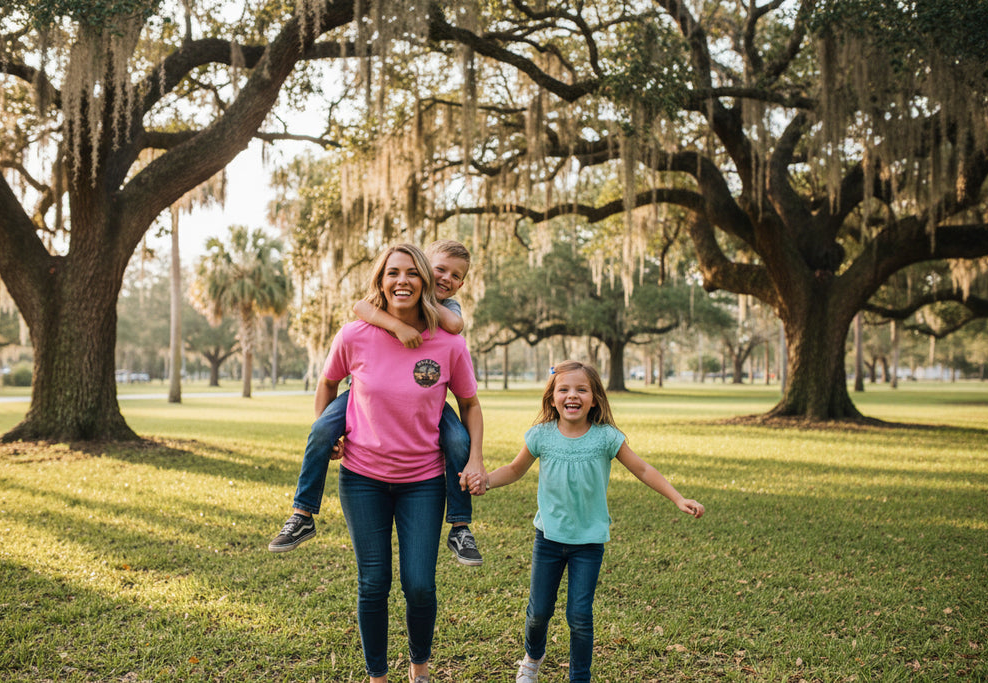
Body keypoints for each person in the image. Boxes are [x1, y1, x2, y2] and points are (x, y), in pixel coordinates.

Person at [310, 243, 484, 683]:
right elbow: (328, 383)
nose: (402, 281)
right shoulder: (354, 333)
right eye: (392, 273)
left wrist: (476, 456)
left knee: (420, 585)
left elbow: (470, 403)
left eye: (412, 273)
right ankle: (377, 677)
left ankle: (419, 671)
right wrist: (327, 434)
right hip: (362, 479)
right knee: (373, 584)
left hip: (423, 482)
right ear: (381, 281)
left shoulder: (449, 341)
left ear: (426, 281)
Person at [471, 360, 704, 682]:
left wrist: (678, 498)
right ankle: (532, 660)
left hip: (589, 543)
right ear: (552, 397)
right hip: (549, 539)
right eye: (564, 389)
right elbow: (513, 470)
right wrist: (484, 481)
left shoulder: (607, 438)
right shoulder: (541, 436)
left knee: (579, 615)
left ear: (595, 399)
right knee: (539, 613)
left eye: (582, 389)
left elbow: (643, 469)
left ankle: (579, 677)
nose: (572, 395)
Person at [269, 239, 485, 566]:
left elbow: (454, 327)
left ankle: (460, 525)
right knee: (321, 431)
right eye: (439, 269)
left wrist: (424, 298)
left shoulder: (449, 316)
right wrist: (397, 324)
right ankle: (303, 513)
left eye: (455, 276)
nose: (445, 279)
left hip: (430, 408)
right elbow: (361, 306)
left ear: (461, 284)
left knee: (457, 439)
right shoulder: (365, 323)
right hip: (359, 398)